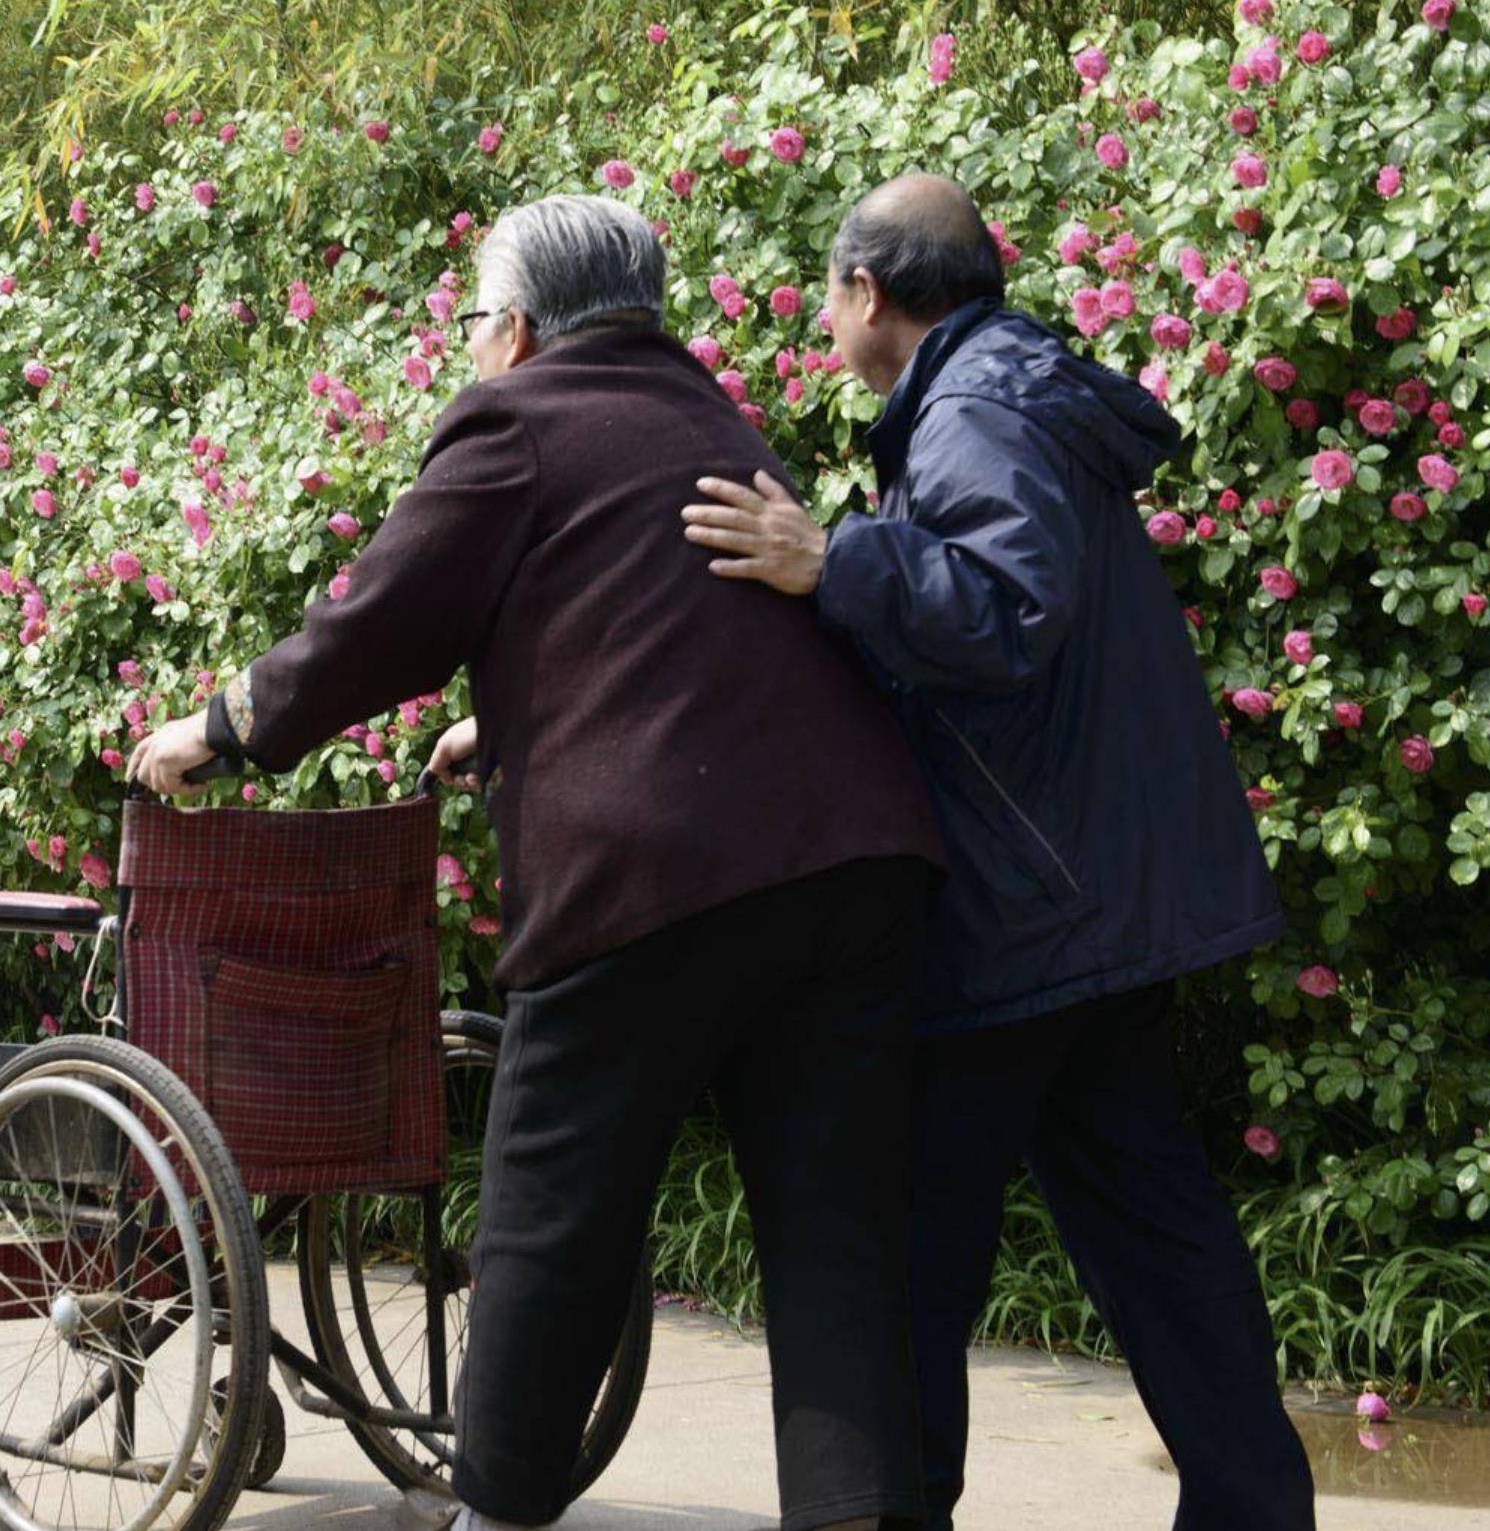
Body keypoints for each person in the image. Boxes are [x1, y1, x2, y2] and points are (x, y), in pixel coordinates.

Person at [127, 193, 944, 1531]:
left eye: (469, 324)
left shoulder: (520, 417)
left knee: (548, 1223)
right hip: (859, 868)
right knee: (836, 1248)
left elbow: (381, 617)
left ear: (514, 327)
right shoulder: (710, 419)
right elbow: (673, 632)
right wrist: (507, 714)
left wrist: (222, 729)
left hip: (658, 874)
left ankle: (495, 1518)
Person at [681, 174, 1316, 1531]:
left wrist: (828, 559)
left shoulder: (972, 410)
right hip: (1089, 910)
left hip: (1033, 916)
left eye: (828, 290)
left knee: (914, 1254)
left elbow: (1005, 612)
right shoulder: (1006, 389)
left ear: (867, 291)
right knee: (1158, 1240)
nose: (823, 315)